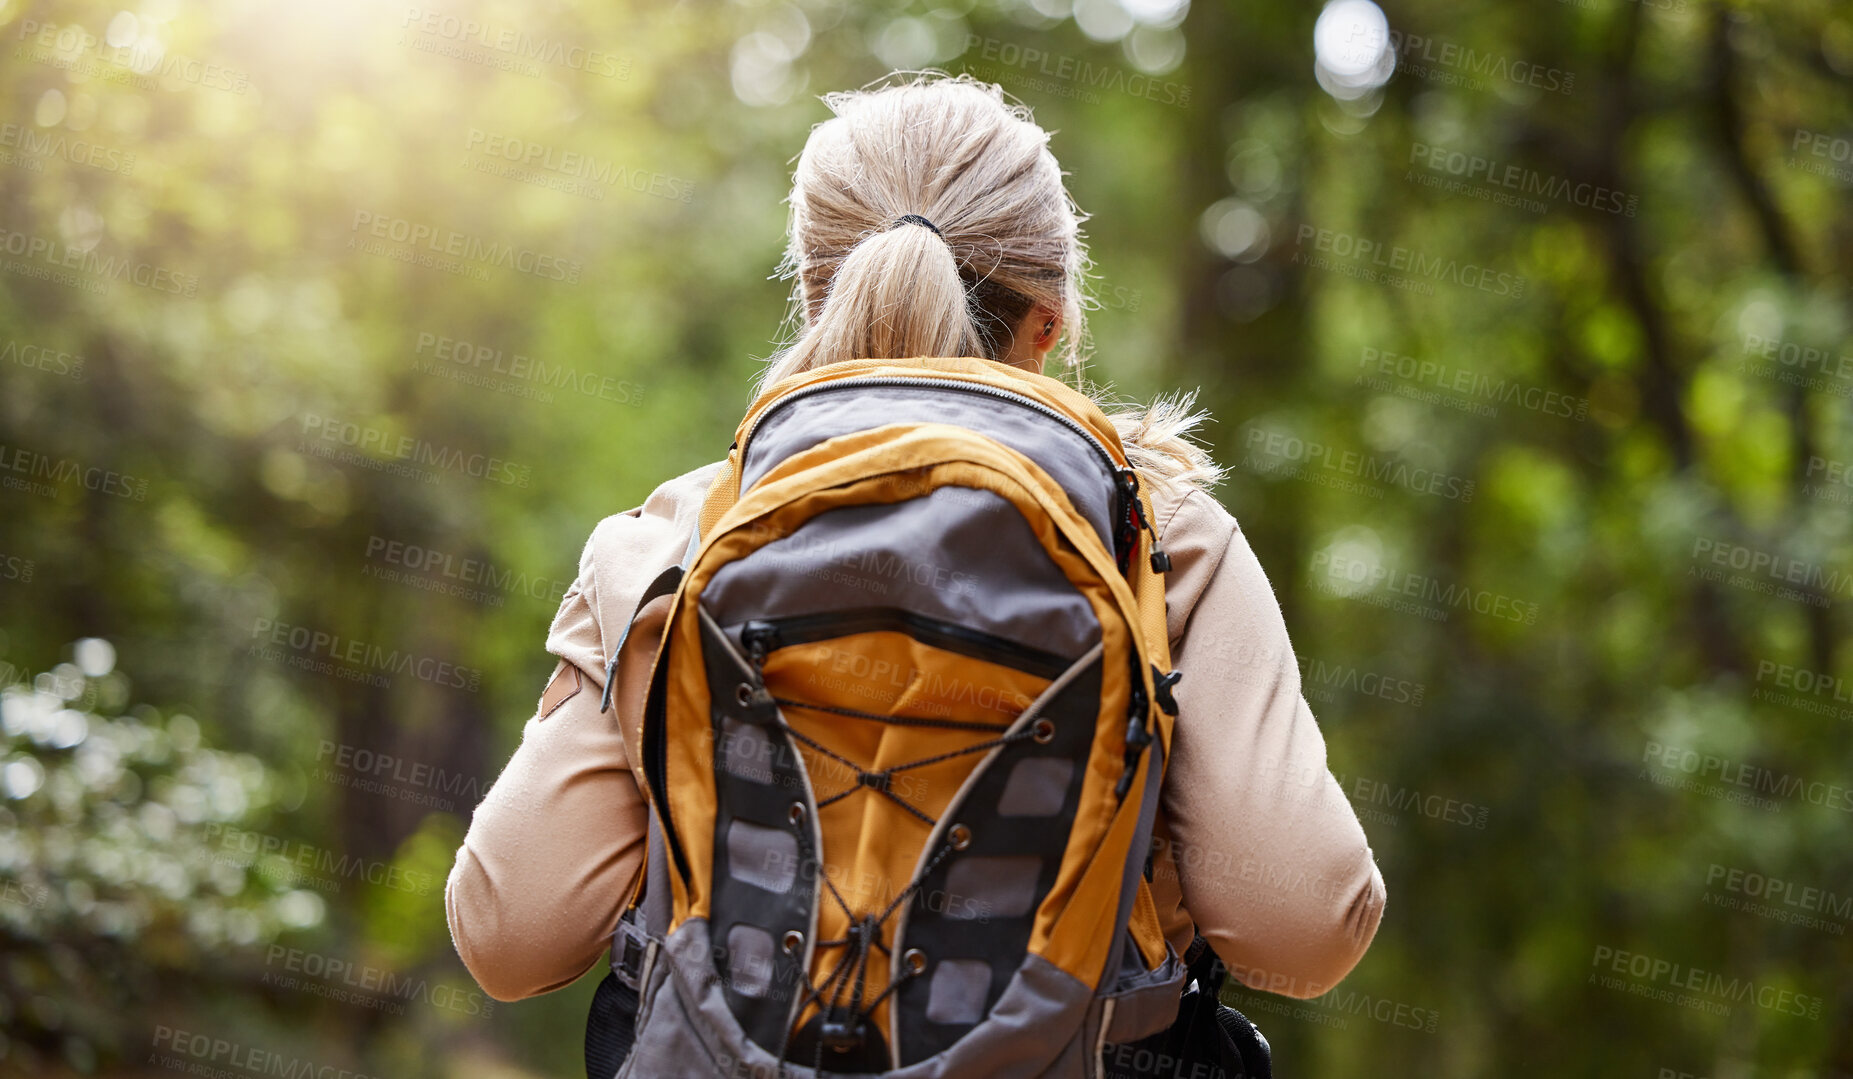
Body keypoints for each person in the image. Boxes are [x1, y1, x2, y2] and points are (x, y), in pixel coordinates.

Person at [445, 72, 1386, 1030]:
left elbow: (511, 933)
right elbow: (1302, 926)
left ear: (817, 299)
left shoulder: (673, 539)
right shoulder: (1162, 541)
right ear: (1049, 321)